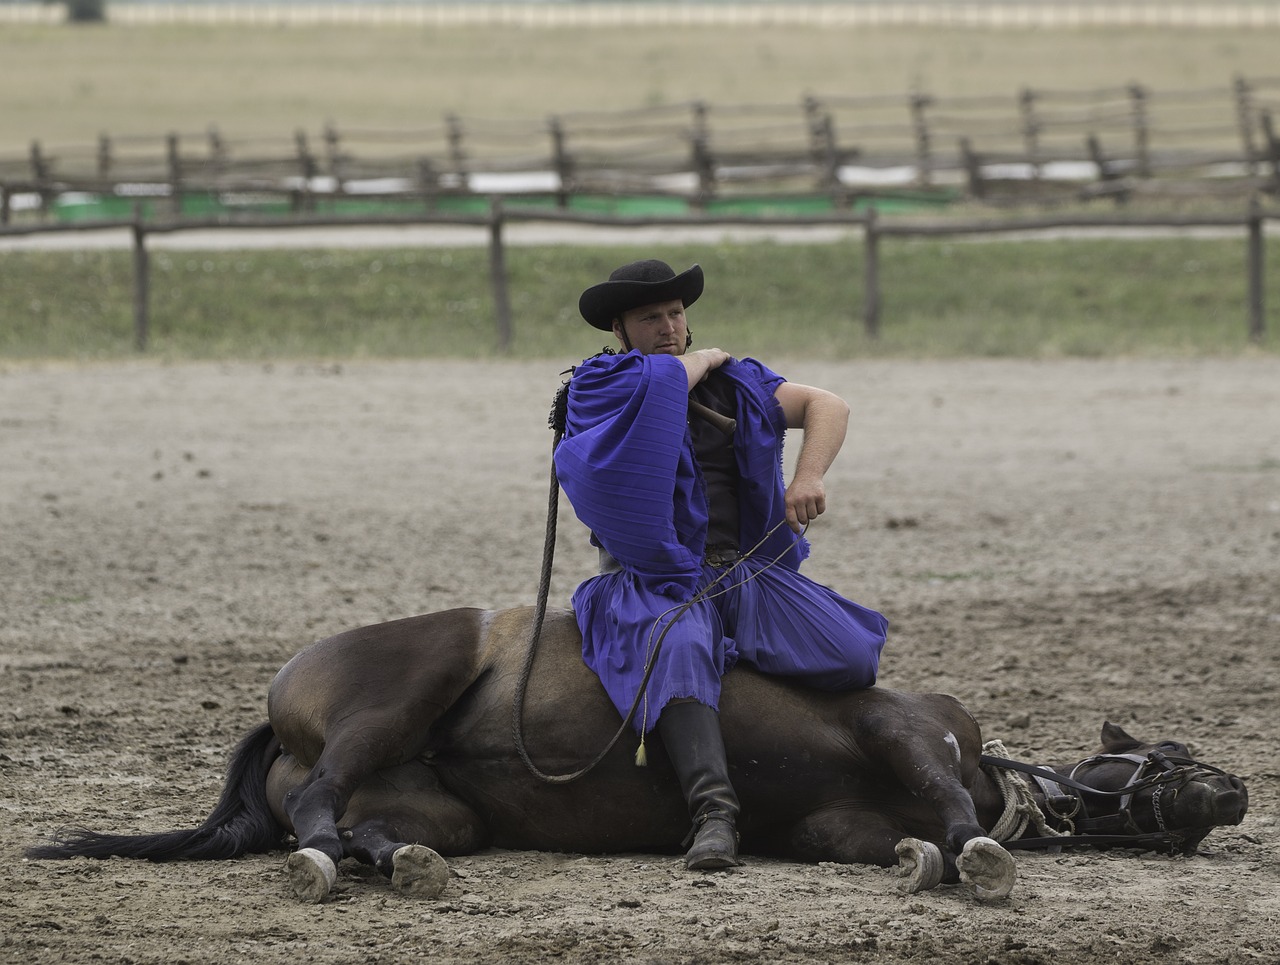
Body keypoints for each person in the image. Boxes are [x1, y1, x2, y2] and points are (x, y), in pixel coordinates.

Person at [554, 259, 888, 871]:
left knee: (850, 651)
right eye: (649, 317)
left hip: (744, 571)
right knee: (678, 649)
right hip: (654, 579)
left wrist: (808, 475)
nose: (668, 325)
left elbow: (827, 404)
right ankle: (714, 812)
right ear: (619, 329)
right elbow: (656, 388)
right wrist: (703, 358)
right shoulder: (599, 383)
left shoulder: (737, 384)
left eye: (676, 314)